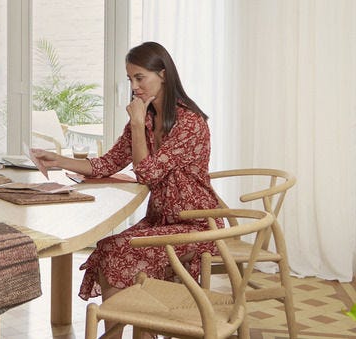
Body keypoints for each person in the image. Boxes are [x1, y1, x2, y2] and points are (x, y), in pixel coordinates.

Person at [32, 41, 219, 301]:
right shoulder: (146, 117)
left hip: (196, 226)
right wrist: (58, 160)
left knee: (117, 251)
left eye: (140, 78)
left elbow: (147, 174)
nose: (134, 86)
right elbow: (107, 163)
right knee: (107, 249)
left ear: (163, 74)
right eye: (130, 79)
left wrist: (137, 123)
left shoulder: (189, 123)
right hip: (160, 222)